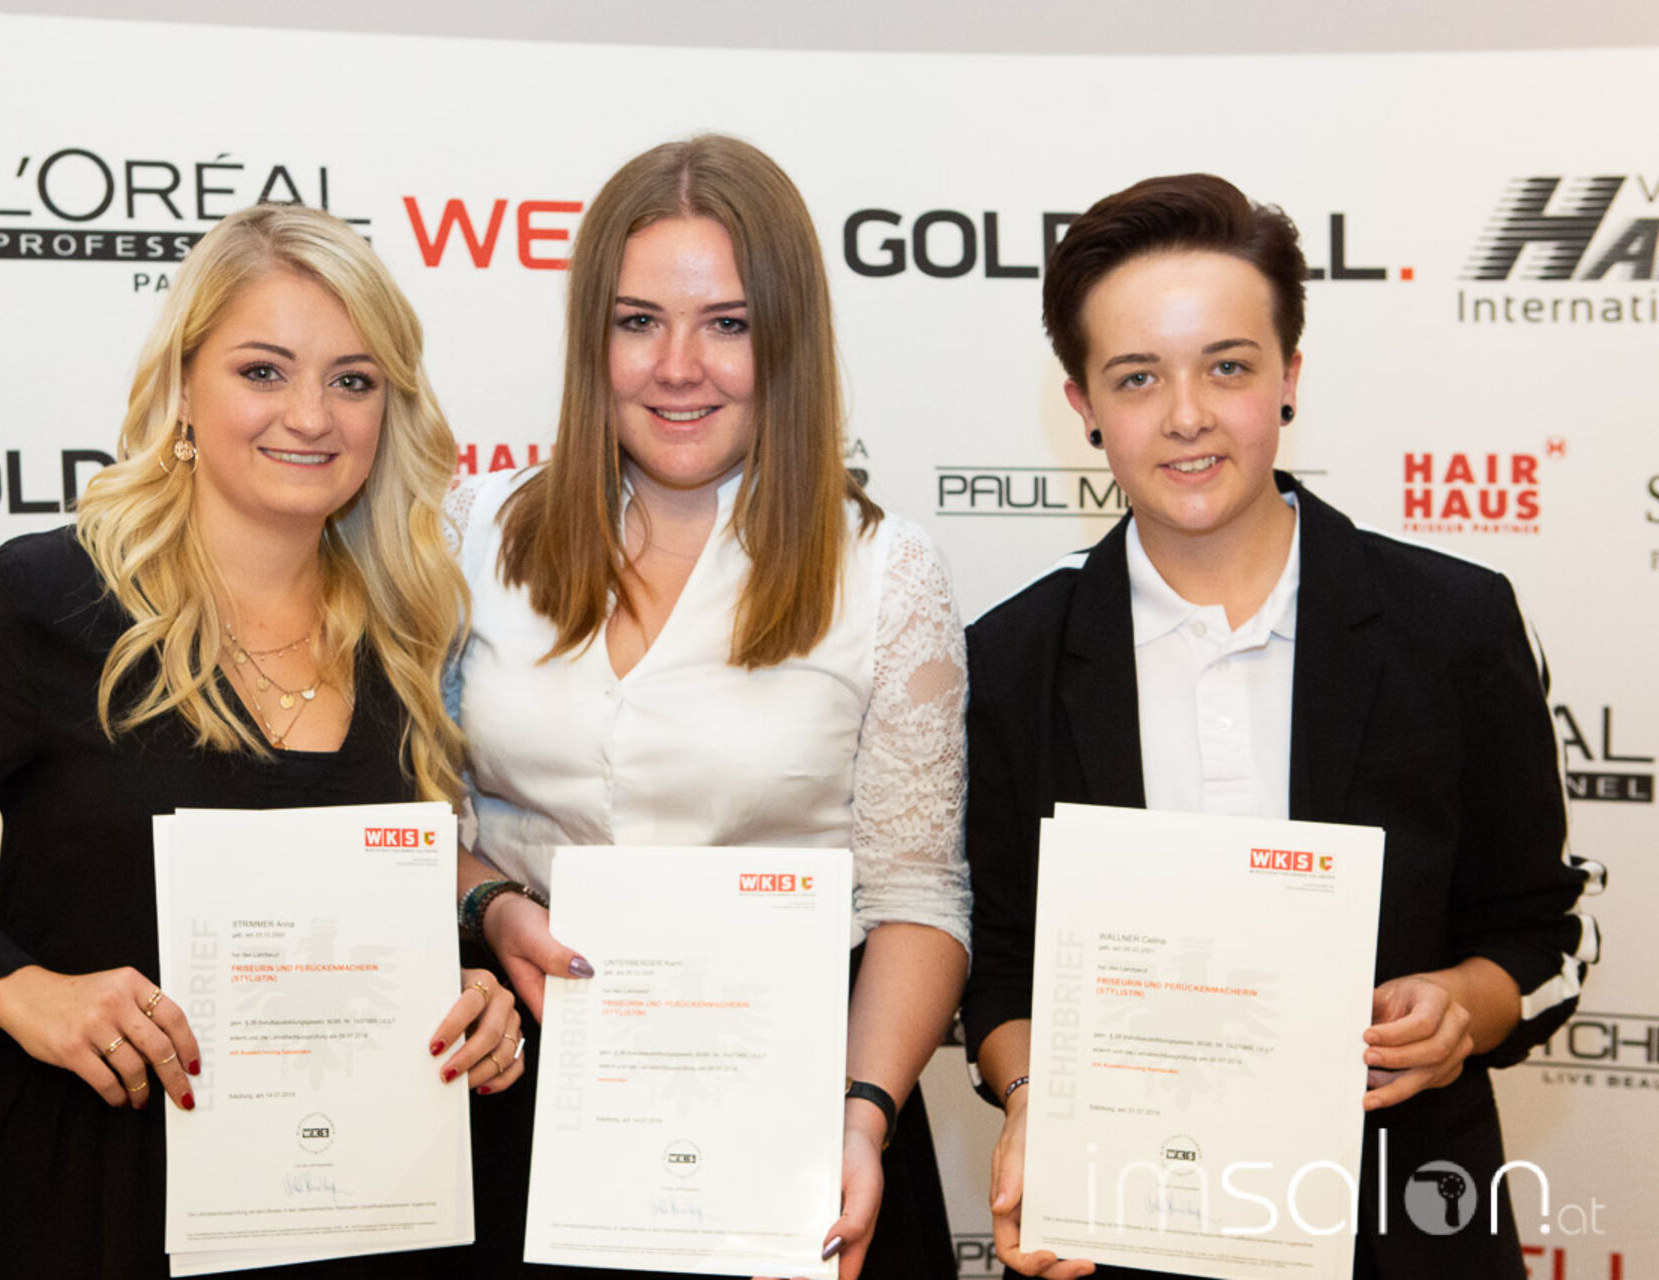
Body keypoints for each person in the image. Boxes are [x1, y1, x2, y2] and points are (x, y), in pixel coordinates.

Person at [0, 203, 522, 1279]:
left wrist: (473, 991)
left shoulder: (409, 628)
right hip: (92, 1199)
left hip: (351, 1204)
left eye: (353, 380)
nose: (311, 415)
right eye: (263, 371)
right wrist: (25, 989)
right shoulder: (42, 599)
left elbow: (385, 901)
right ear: (182, 387)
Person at [961, 173, 1600, 1279]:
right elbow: (998, 968)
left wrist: (1463, 1004)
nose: (1187, 415)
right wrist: (1031, 1097)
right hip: (1116, 1233)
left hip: (1406, 1226)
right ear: (1084, 405)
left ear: (1289, 377)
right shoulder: (1010, 659)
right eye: (1137, 377)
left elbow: (1543, 929)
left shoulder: (1454, 625)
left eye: (1229, 366)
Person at [443, 134, 971, 1279]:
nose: (678, 366)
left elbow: (918, 893)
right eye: (638, 321)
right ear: (591, 337)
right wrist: (489, 900)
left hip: (799, 1116)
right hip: (522, 1096)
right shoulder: (469, 534)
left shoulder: (886, 571)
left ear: (787, 338)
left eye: (727, 323)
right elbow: (412, 819)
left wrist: (862, 1115)